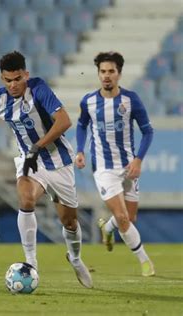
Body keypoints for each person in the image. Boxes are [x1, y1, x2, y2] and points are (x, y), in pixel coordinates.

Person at [0, 51, 93, 288]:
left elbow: (64, 121)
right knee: (25, 199)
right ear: (1, 78)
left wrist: (38, 145)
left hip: (59, 161)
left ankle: (75, 259)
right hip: (29, 161)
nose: (13, 85)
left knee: (69, 222)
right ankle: (31, 263)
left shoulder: (38, 89)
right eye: (8, 80)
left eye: (17, 79)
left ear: (26, 74)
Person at [75, 52, 155, 277]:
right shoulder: (88, 101)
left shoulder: (131, 100)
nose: (106, 76)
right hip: (103, 167)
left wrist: (138, 159)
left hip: (129, 166)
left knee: (129, 220)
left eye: (111, 71)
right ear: (98, 74)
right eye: (102, 71)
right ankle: (145, 262)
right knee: (122, 217)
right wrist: (80, 150)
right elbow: (81, 125)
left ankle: (107, 227)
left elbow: (148, 131)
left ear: (119, 74)